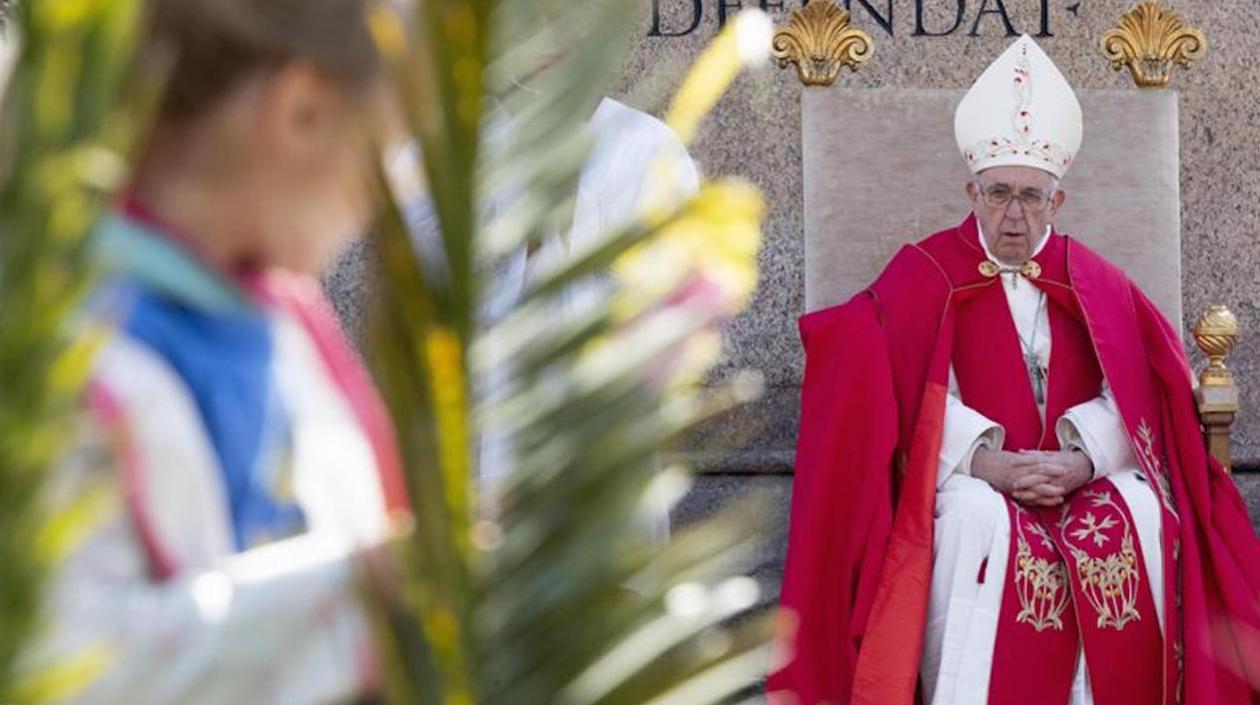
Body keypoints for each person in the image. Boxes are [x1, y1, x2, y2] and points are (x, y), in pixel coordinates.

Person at [769, 35, 1260, 705]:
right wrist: (986, 461)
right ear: (972, 189)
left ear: (1057, 203)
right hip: (975, 480)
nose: (1013, 217)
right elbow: (891, 388)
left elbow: (1140, 394)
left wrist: (1083, 459)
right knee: (976, 516)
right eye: (998, 194)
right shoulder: (924, 274)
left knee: (1142, 505)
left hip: (1075, 477)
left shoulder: (1095, 281)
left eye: (1032, 198)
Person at [29, 1, 409, 703]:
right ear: (302, 109)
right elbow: (64, 665)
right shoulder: (54, 344)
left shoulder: (277, 318)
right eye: (382, 151)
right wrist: (377, 590)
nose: (390, 193)